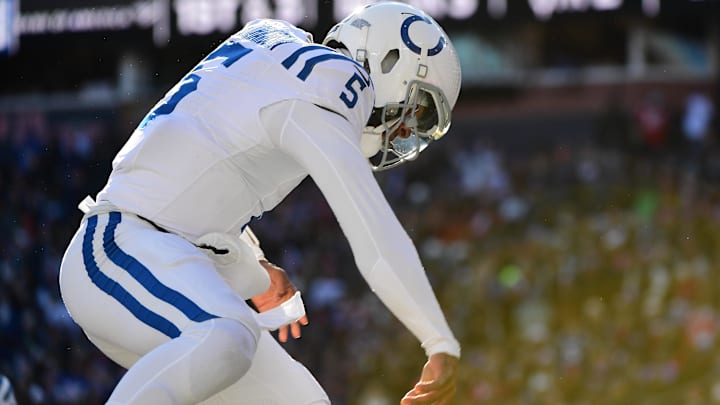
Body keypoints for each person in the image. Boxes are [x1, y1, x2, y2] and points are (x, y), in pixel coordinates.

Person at [58, 2, 462, 404]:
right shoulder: (339, 82)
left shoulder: (273, 42)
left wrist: (254, 268)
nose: (407, 129)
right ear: (389, 61)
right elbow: (373, 232)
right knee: (226, 333)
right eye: (417, 108)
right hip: (119, 247)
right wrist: (438, 339)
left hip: (158, 251)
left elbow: (204, 157)